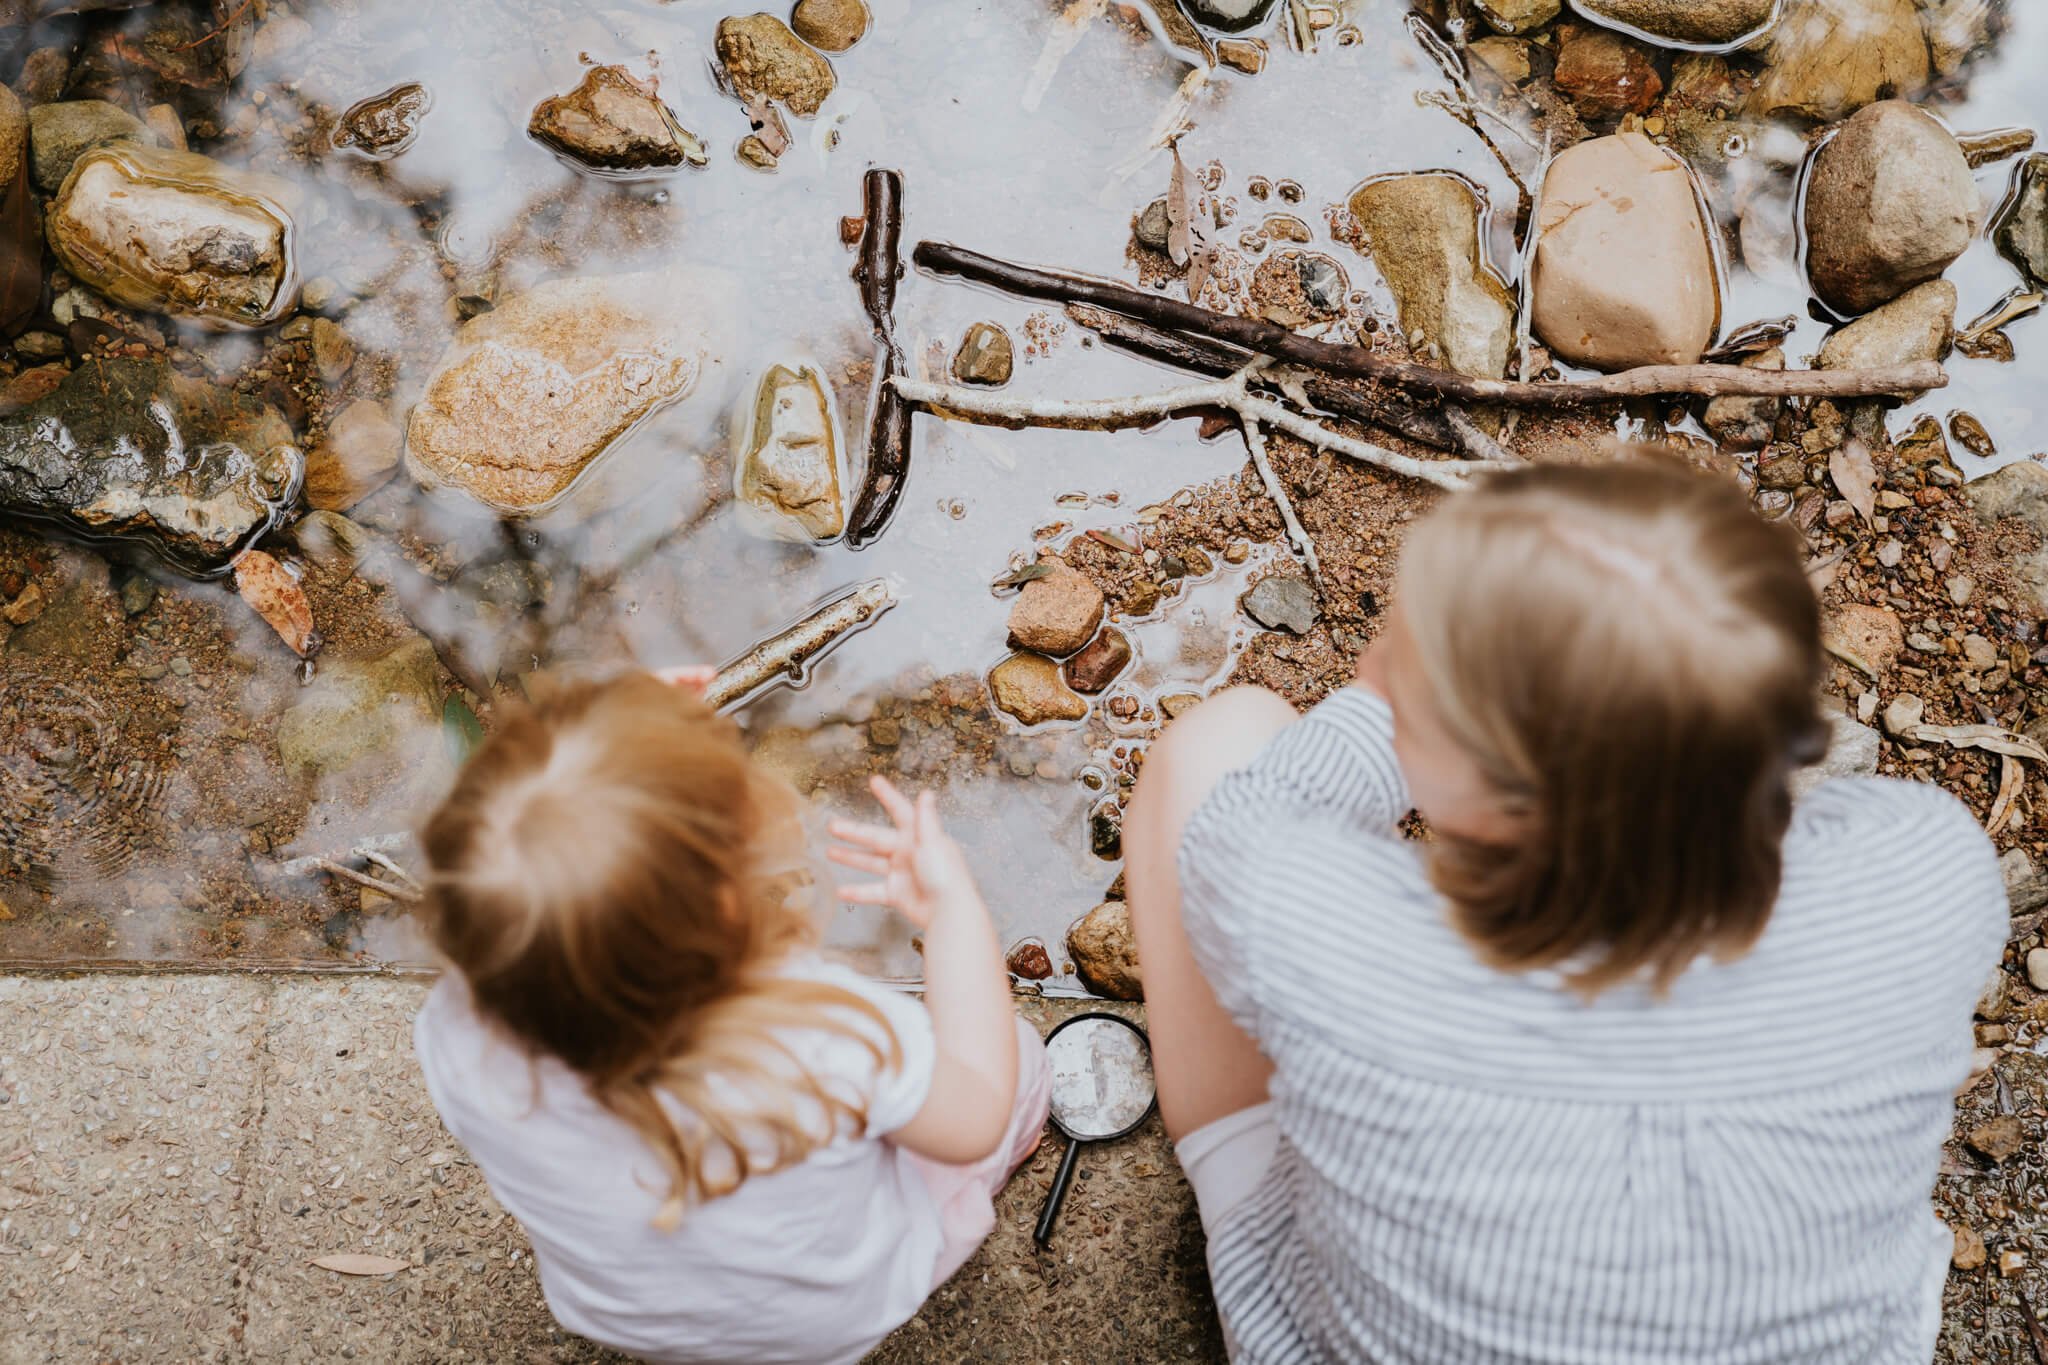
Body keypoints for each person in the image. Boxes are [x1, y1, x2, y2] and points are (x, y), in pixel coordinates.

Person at [1125, 458, 2006, 1364]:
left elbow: (1242, 822)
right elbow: (1810, 814)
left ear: (1472, 797)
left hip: (1325, 1328)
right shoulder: (1932, 874)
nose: (1378, 663)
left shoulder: (1327, 939)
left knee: (1215, 746)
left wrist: (1381, 703)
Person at [410, 669, 1046, 1365]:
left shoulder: (455, 1036)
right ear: (727, 906)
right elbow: (974, 1114)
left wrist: (625, 734)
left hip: (634, 1318)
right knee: (1014, 1061)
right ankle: (1000, 1166)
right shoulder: (823, 1033)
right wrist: (956, 914)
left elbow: (552, 863)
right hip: (828, 1318)